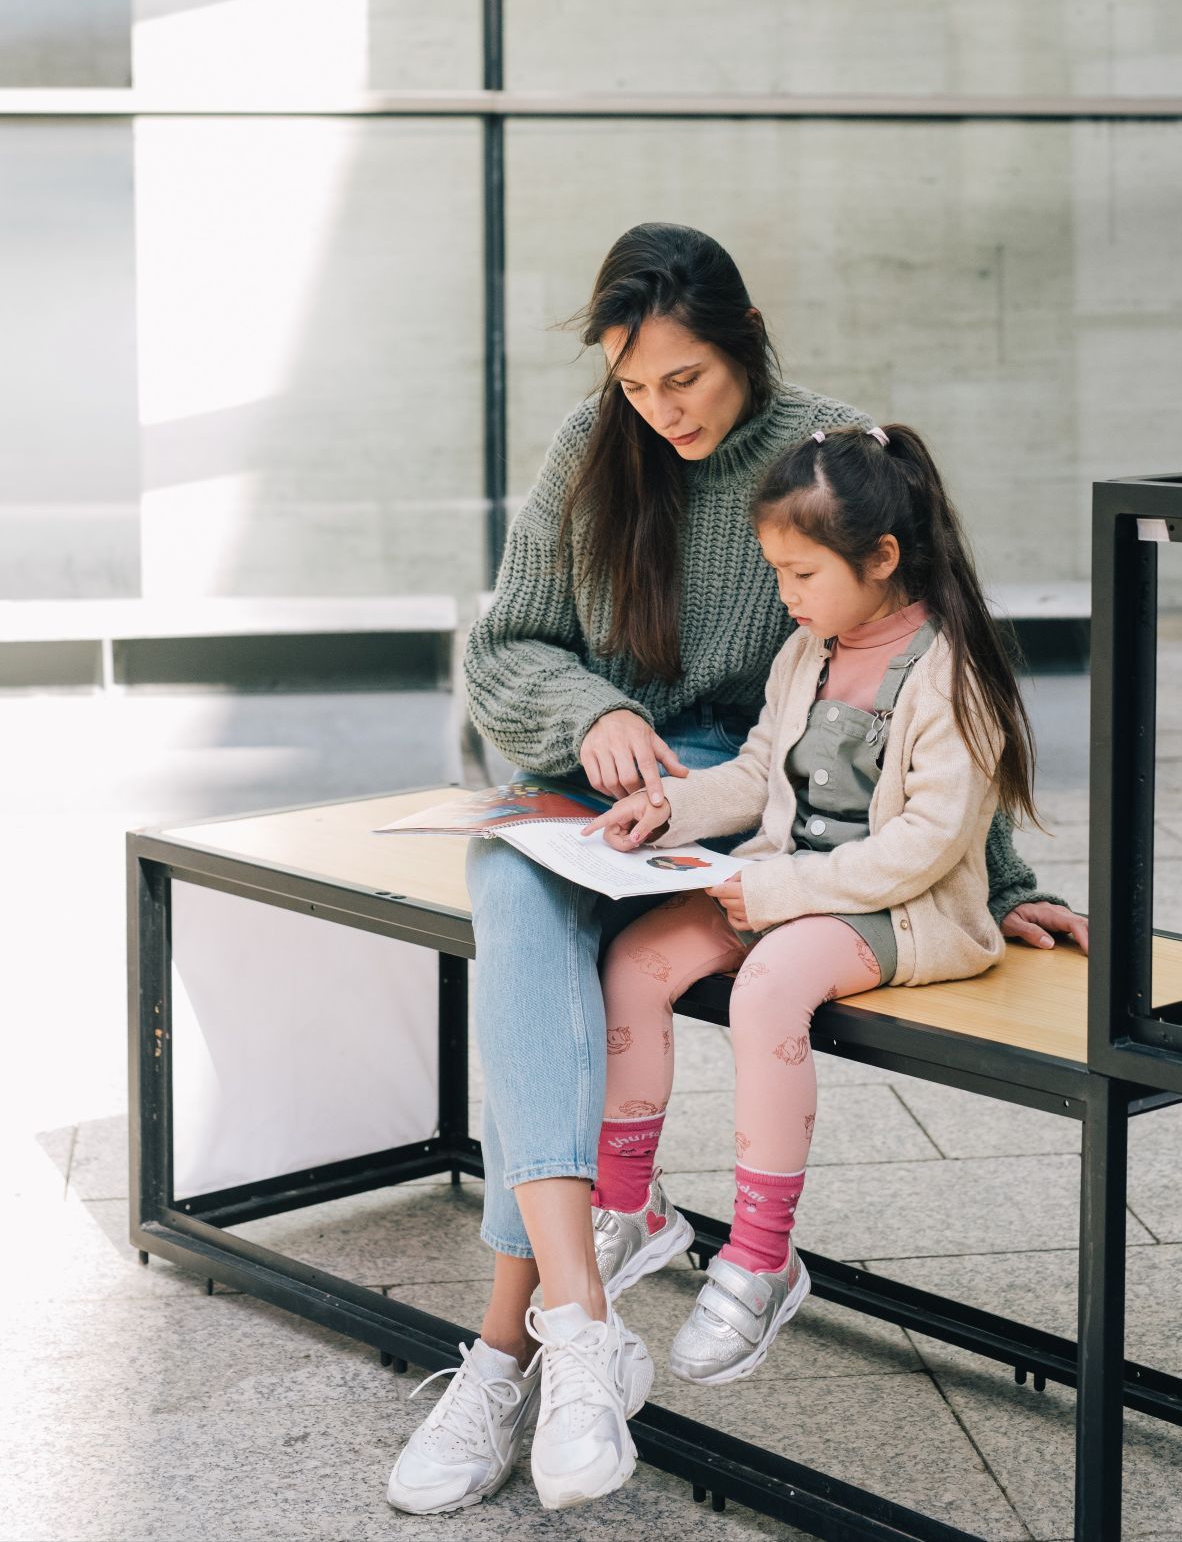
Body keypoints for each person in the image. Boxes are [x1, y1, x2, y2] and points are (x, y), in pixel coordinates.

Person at [386, 225, 1087, 1515]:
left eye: (684, 381)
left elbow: (926, 661)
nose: (657, 412)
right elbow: (506, 650)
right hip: (613, 778)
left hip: (743, 789)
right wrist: (592, 712)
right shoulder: (592, 454)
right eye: (634, 385)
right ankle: (577, 1334)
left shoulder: (833, 459)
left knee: (532, 961)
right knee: (516, 901)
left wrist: (998, 868)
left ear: (744, 340)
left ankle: (508, 1349)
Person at [589, 420, 1035, 1384]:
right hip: (786, 885)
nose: (785, 597)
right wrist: (666, 810)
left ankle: (761, 1254)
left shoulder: (951, 673)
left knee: (768, 988)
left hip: (898, 910)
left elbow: (925, 846)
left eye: (801, 575)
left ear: (882, 557)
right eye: (777, 573)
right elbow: (757, 772)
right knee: (634, 961)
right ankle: (630, 1205)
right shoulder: (811, 652)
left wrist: (778, 891)